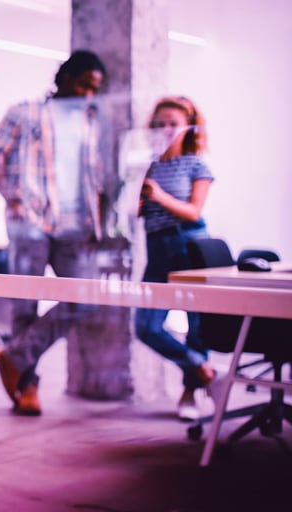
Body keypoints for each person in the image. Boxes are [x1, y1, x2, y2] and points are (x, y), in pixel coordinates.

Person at [0, 50, 113, 415]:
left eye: (94, 89)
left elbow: (95, 178)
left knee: (85, 296)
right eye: (84, 85)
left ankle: (15, 357)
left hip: (75, 227)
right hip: (32, 224)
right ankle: (27, 388)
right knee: (25, 306)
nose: (88, 94)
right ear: (65, 78)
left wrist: (97, 225)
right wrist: (18, 201)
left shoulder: (89, 123)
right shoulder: (25, 111)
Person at [135, 95, 215, 421]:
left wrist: (159, 196)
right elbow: (135, 213)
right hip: (157, 249)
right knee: (145, 326)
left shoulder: (198, 165)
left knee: (197, 326)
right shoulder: (147, 166)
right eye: (159, 124)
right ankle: (199, 366)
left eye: (173, 124)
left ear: (189, 127)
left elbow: (194, 211)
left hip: (190, 245)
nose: (165, 130)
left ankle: (190, 393)